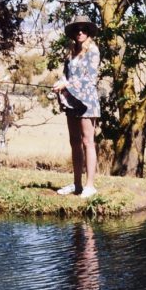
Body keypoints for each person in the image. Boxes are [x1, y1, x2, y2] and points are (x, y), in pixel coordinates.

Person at [51, 21, 101, 197]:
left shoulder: (93, 51)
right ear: (73, 33)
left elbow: (90, 79)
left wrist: (67, 84)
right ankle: (77, 184)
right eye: (77, 30)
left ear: (88, 32)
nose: (80, 32)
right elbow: (66, 74)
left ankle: (90, 186)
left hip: (87, 101)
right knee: (74, 142)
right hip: (71, 101)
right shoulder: (71, 53)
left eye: (83, 30)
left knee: (88, 142)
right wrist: (60, 83)